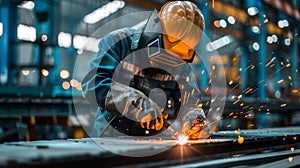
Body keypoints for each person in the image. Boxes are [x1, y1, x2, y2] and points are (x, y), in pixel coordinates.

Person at [82, 1, 211, 140]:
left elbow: (190, 102)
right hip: (110, 138)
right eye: (165, 54)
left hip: (155, 140)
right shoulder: (119, 42)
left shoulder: (181, 64)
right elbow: (92, 83)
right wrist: (131, 101)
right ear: (155, 28)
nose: (169, 64)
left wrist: (193, 119)